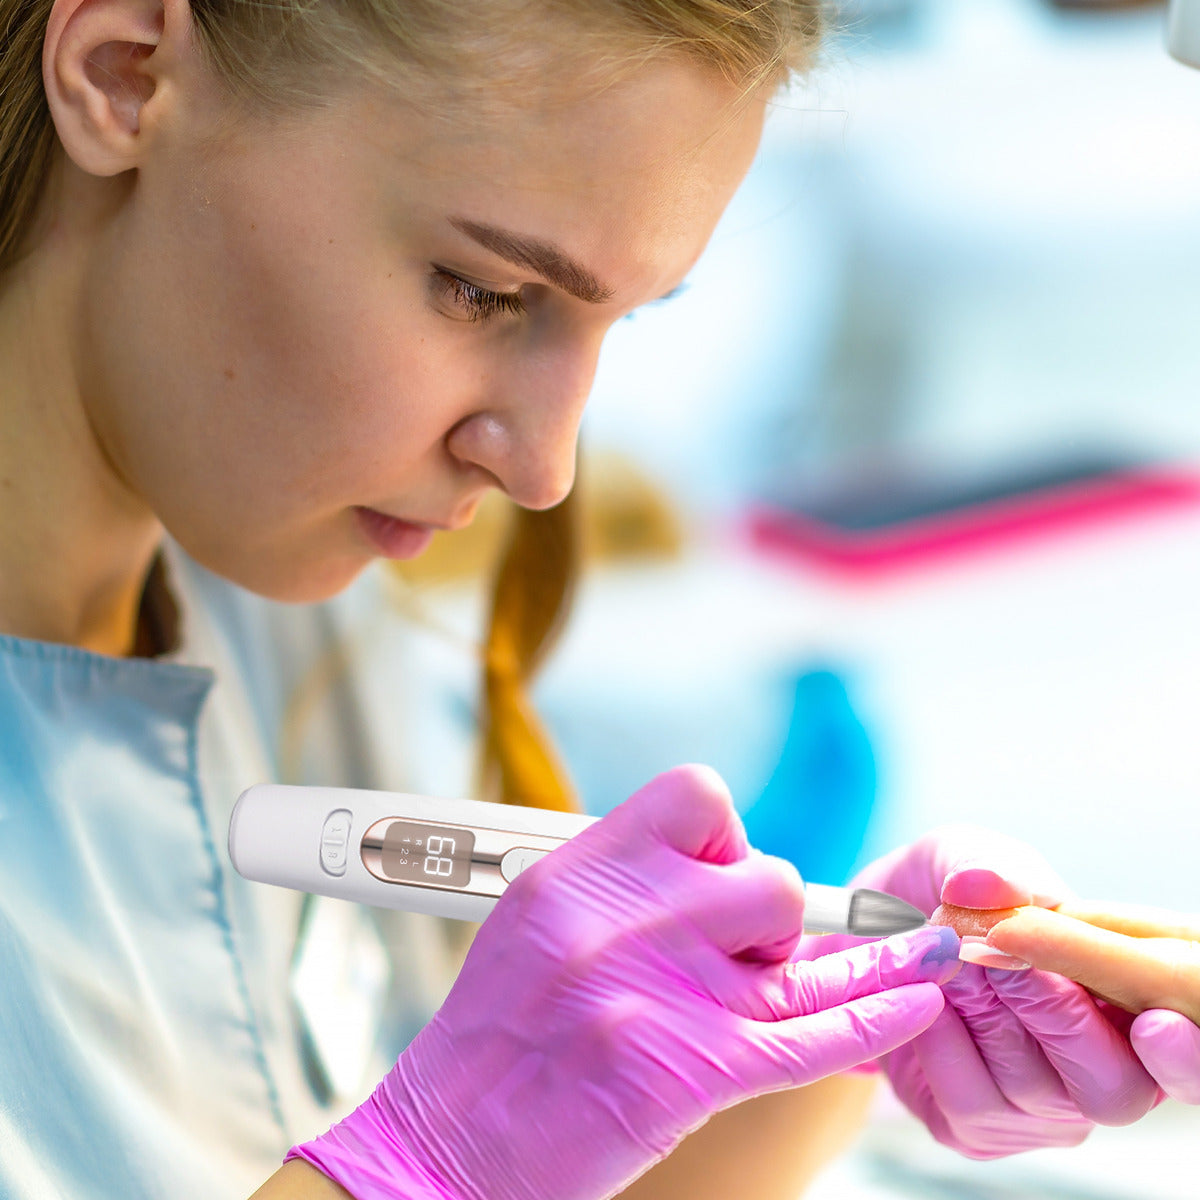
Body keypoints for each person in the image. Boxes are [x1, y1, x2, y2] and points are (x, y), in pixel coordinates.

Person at [0, 0, 1165, 1197]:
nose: (544, 469)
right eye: (480, 290)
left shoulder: (293, 600)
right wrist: (433, 1161)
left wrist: (841, 1031)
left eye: (622, 319)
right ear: (125, 76)